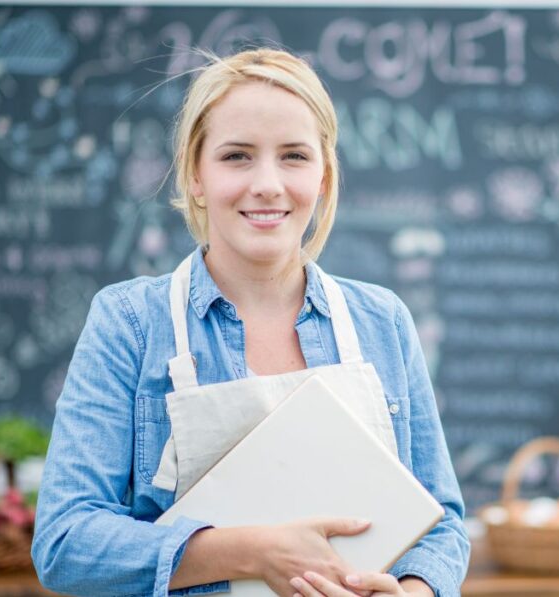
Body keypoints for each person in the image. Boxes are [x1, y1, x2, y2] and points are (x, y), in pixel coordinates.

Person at [31, 48, 469, 597]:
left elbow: (443, 523)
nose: (267, 183)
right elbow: (66, 541)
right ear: (195, 174)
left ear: (325, 176)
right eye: (237, 156)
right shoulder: (129, 324)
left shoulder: (383, 321)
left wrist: (415, 589)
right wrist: (255, 552)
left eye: (294, 156)